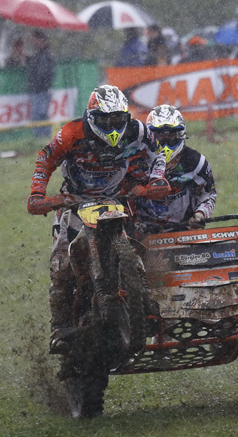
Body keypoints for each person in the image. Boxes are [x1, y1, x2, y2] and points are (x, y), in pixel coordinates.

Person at [26, 85, 169, 353]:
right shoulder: (71, 133)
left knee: (144, 243)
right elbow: (45, 157)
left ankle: (144, 300)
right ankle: (59, 327)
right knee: (61, 264)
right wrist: (37, 194)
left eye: (117, 119)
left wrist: (157, 177)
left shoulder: (138, 131)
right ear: (92, 117)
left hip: (116, 200)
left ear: (126, 117)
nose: (112, 125)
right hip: (75, 203)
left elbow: (158, 152)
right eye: (105, 120)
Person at [134, 105, 217, 234]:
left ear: (180, 135)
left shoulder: (195, 161)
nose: (165, 142)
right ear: (151, 136)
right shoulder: (137, 160)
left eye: (171, 136)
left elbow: (208, 193)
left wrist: (200, 213)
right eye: (160, 136)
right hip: (140, 230)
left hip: (182, 230)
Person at [26, 30, 56, 137]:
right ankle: (43, 137)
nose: (34, 42)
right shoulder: (40, 55)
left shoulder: (45, 55)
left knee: (39, 115)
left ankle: (43, 137)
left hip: (41, 90)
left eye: (35, 40)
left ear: (41, 40)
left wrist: (39, 84)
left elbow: (43, 73)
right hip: (39, 90)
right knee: (40, 115)